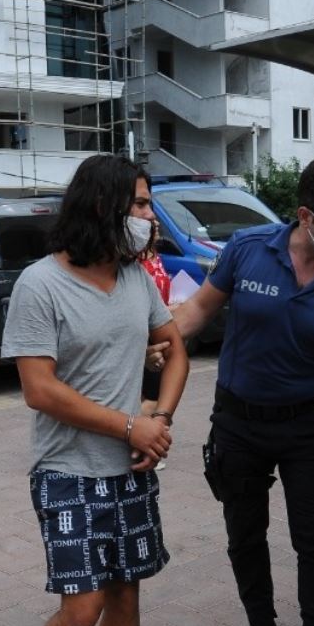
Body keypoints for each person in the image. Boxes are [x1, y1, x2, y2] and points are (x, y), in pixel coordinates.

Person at [165, 156, 314, 626]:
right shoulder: (248, 250)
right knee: (244, 533)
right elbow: (195, 314)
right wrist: (146, 345)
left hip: (309, 428)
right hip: (239, 424)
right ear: (306, 216)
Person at [1, 154, 189, 626]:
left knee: (126, 596)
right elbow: (39, 389)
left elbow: (175, 349)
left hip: (130, 469)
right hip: (67, 470)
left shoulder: (136, 278)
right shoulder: (40, 284)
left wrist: (159, 419)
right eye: (141, 204)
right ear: (104, 206)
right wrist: (130, 426)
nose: (149, 215)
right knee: (83, 608)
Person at [131, 171, 173, 468]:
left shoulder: (154, 258)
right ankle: (141, 439)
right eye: (141, 205)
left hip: (160, 334)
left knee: (156, 393)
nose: (151, 220)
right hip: (144, 339)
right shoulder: (131, 265)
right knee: (147, 396)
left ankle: (149, 438)